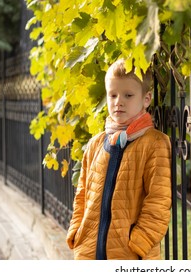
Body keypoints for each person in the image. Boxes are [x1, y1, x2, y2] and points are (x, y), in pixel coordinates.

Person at [66, 59, 172, 260]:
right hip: (89, 252)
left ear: (146, 98)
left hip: (131, 256)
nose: (118, 102)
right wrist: (76, 232)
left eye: (128, 95)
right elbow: (82, 195)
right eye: (112, 95)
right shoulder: (96, 143)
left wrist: (138, 244)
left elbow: (159, 201)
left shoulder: (154, 143)